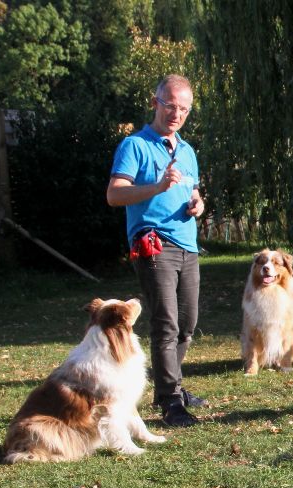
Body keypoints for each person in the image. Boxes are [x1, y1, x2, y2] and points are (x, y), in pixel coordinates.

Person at [107, 74, 207, 427]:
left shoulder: (187, 151)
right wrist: (157, 186)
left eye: (183, 109)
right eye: (170, 105)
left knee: (187, 324)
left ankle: (170, 386)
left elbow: (193, 193)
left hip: (187, 244)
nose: (175, 114)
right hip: (154, 245)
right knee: (166, 323)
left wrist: (198, 205)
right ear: (155, 103)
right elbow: (115, 194)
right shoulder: (134, 145)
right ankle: (171, 402)